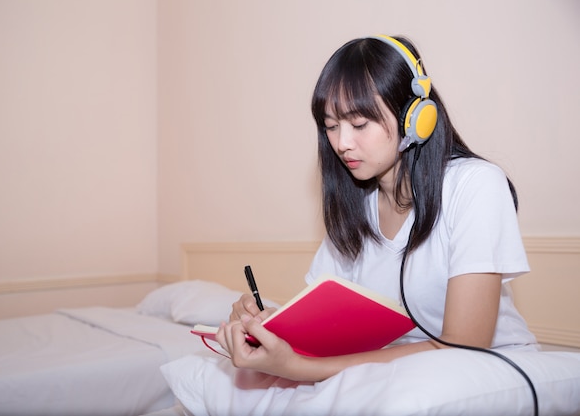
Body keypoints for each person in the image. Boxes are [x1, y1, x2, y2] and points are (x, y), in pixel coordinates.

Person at [215, 35, 538, 382]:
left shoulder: (475, 185)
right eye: (331, 126)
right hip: (396, 372)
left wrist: (302, 369)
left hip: (488, 370)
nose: (341, 143)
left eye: (358, 124)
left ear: (415, 118)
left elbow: (465, 345)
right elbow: (322, 330)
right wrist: (265, 326)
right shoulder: (356, 208)